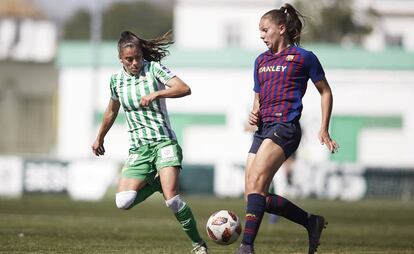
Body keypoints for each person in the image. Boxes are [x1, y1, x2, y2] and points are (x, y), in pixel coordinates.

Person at [91, 31, 208, 254]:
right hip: (139, 148)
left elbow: (184, 88)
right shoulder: (116, 81)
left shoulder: (153, 69)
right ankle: (155, 185)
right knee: (123, 202)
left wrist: (157, 94)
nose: (135, 63)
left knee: (173, 200)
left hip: (164, 142)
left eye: (138, 57)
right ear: (121, 59)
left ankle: (197, 244)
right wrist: (100, 137)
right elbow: (111, 111)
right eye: (129, 59)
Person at [236, 3, 339, 254]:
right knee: (252, 194)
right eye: (259, 30)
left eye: (265, 29)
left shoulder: (304, 57)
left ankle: (246, 247)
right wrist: (254, 111)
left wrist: (324, 128)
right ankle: (310, 221)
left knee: (258, 185)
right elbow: (258, 96)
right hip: (263, 129)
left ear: (281, 28)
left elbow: (325, 91)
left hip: (286, 126)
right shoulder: (260, 61)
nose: (261, 35)